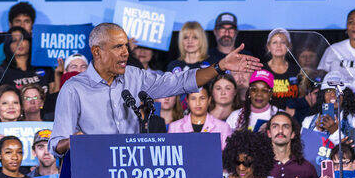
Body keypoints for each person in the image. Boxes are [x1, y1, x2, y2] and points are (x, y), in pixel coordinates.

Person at [50, 23, 261, 155]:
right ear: (97, 51)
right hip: (94, 175)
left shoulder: (135, 76)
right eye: (118, 47)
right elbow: (57, 144)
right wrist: (73, 142)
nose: (126, 52)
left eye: (125, 46)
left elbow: (180, 81)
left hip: (132, 173)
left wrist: (220, 66)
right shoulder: (73, 89)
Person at [0, 26, 58, 97]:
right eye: (14, 40)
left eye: (22, 39)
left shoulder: (43, 66)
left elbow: (54, 97)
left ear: (29, 42)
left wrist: (57, 74)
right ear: (8, 46)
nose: (19, 43)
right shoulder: (2, 72)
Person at [167, 87, 233, 148]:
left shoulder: (223, 127)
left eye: (202, 98)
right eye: (193, 98)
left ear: (209, 100)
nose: (198, 103)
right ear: (187, 101)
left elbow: (228, 156)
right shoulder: (174, 127)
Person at [0, 2, 37, 78]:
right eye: (18, 21)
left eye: (26, 21)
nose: (22, 26)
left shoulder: (40, 50)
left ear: (32, 25)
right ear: (10, 24)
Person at [263, 28, 303, 109]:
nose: (279, 46)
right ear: (268, 47)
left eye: (283, 42)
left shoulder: (297, 70)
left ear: (289, 46)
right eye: (274, 42)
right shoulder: (261, 70)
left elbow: (301, 96)